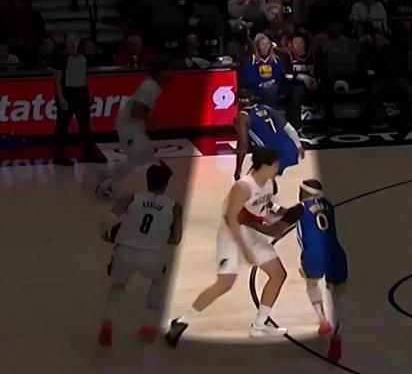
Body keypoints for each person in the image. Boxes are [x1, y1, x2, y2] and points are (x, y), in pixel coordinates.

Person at [165, 148, 290, 346]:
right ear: (265, 166)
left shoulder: (268, 183)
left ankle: (260, 324)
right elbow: (231, 218)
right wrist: (245, 250)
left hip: (250, 233)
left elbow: (263, 213)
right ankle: (182, 321)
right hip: (231, 236)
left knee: (278, 274)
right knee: (225, 283)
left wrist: (283, 220)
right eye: (275, 165)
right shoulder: (243, 186)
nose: (278, 168)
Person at [98, 162, 183, 346]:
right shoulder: (174, 207)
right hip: (153, 256)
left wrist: (106, 234)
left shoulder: (131, 198)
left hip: (124, 252)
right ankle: (148, 328)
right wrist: (157, 236)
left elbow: (108, 217)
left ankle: (107, 326)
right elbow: (176, 239)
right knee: (158, 281)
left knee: (117, 287)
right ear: (166, 184)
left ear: (147, 180)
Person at [95, 58, 175, 197]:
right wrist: (151, 121)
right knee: (136, 157)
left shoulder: (155, 86)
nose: (172, 73)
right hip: (127, 125)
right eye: (169, 70)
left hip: (135, 124)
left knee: (146, 155)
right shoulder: (150, 87)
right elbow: (135, 111)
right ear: (160, 72)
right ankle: (104, 186)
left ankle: (107, 174)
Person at [296, 179, 348, 362]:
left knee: (311, 283)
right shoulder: (329, 205)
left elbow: (300, 236)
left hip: (314, 254)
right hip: (335, 252)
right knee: (338, 294)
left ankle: (323, 320)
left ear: (304, 193)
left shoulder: (300, 208)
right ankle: (338, 332)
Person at [233, 89, 304, 181]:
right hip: (290, 149)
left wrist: (238, 169)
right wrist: (299, 146)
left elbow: (243, 145)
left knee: (251, 183)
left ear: (237, 101)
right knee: (263, 178)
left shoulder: (242, 118)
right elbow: (288, 128)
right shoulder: (266, 108)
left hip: (273, 154)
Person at [52, 33, 100, 166]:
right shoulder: (61, 57)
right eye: (70, 40)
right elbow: (57, 79)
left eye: (75, 40)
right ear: (65, 42)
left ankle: (89, 154)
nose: (73, 43)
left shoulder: (82, 57)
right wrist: (61, 98)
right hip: (67, 93)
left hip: (81, 92)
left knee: (85, 126)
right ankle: (58, 155)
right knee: (62, 126)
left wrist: (89, 93)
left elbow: (83, 76)